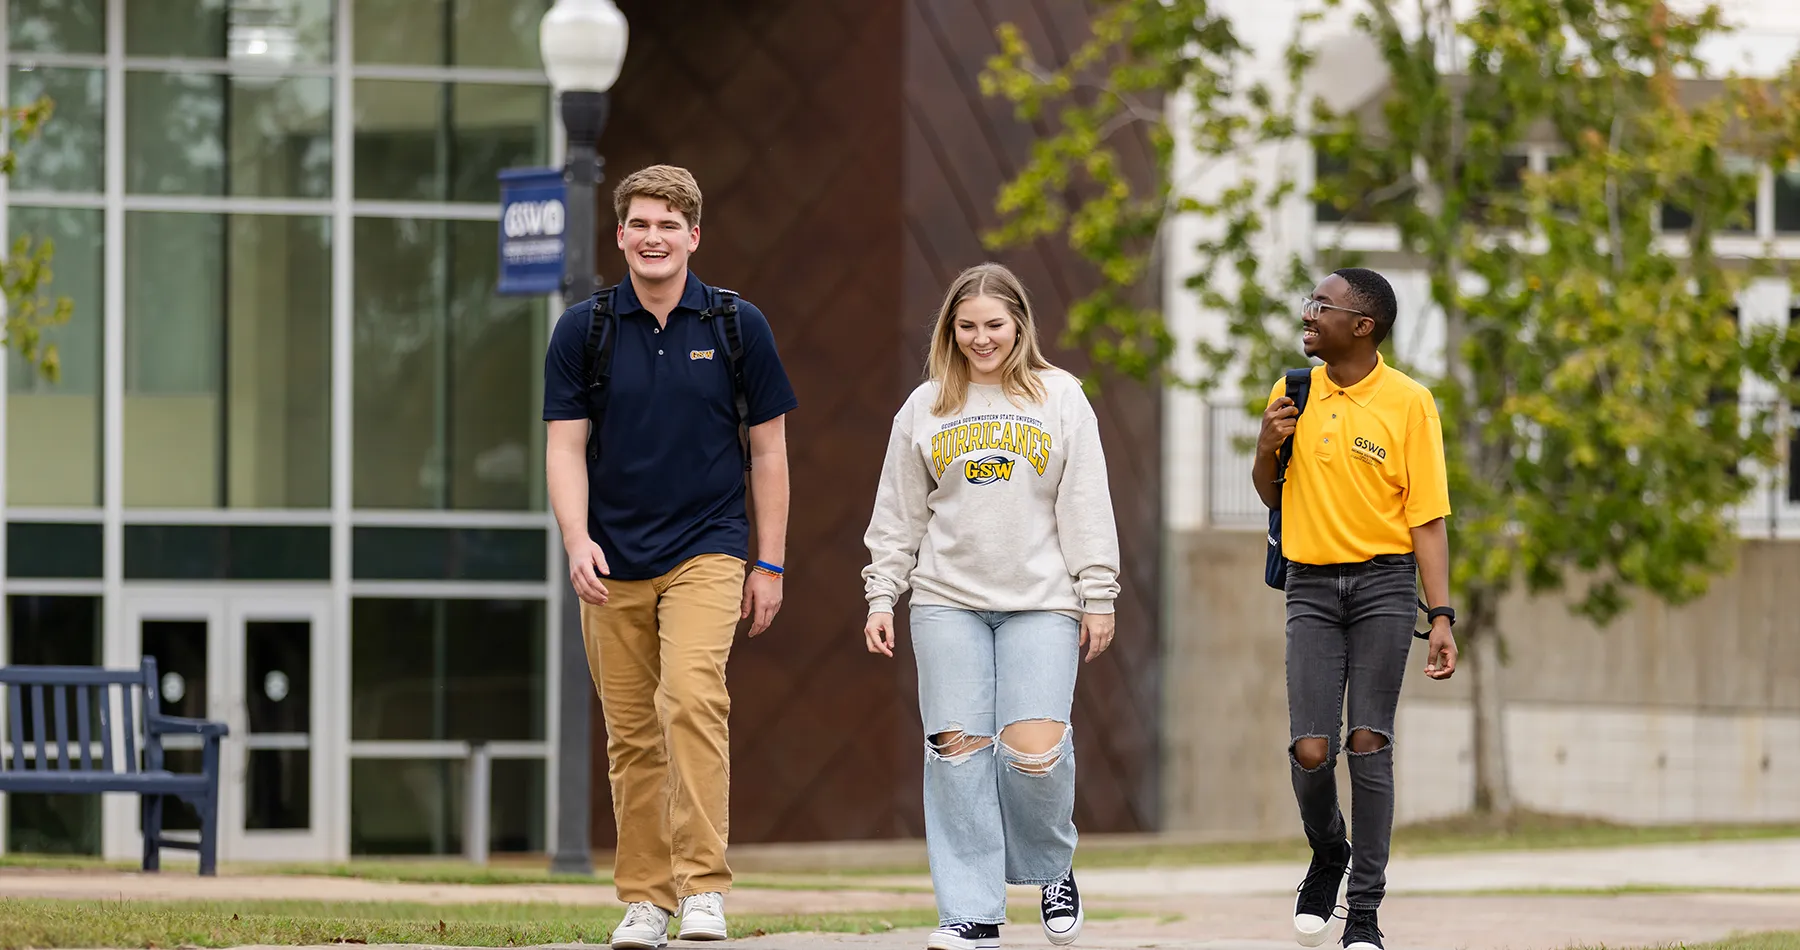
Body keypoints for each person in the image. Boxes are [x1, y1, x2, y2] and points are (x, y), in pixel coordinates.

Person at [542, 164, 797, 950]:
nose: (653, 238)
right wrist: (576, 538)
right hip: (612, 558)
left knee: (690, 699)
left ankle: (704, 889)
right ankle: (646, 900)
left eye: (669, 225)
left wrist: (770, 563)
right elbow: (564, 447)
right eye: (639, 225)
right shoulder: (583, 330)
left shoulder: (735, 326)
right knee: (631, 734)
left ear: (694, 236)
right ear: (620, 235)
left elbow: (770, 453)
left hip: (708, 549)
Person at [860, 262, 1121, 950]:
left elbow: (1086, 503)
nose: (981, 339)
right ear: (951, 328)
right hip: (947, 601)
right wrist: (882, 592)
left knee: (1032, 753)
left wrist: (1099, 593)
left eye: (994, 326)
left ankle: (1050, 866)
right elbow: (898, 515)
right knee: (957, 755)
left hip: (1041, 601)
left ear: (1019, 325)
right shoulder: (925, 407)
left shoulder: (1059, 397)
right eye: (967, 327)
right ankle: (971, 912)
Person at [1252, 267, 1458, 950]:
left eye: (1322, 307)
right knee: (1312, 748)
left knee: (1368, 742)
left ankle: (1364, 913)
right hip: (1310, 589)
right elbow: (1269, 493)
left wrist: (1443, 615)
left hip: (1384, 587)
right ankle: (1328, 850)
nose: (1308, 315)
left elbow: (1427, 520)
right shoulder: (1294, 390)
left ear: (1362, 326)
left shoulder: (1409, 403)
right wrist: (1266, 446)